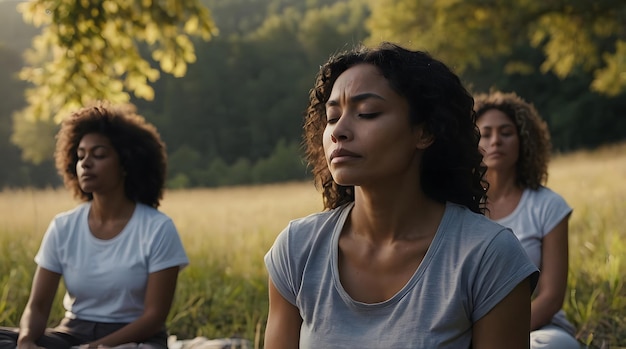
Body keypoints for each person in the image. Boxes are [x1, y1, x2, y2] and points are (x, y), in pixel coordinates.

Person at [263, 42, 539, 348]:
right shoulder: (296, 250)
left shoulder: (487, 255)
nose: (339, 130)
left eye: (367, 113)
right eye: (331, 117)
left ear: (424, 132)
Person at [0, 102, 189, 349]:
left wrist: (93, 348)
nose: (86, 163)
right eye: (80, 156)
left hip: (133, 339)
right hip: (72, 333)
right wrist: (25, 341)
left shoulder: (158, 229)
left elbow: (153, 319)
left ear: (125, 164)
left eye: (99, 155)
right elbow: (37, 306)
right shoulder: (63, 226)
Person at [474, 91, 580, 349]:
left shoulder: (548, 205)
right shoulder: (457, 205)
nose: (496, 140)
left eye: (506, 132)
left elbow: (551, 297)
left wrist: (494, 338)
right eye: (486, 133)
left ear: (523, 141)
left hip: (540, 331)